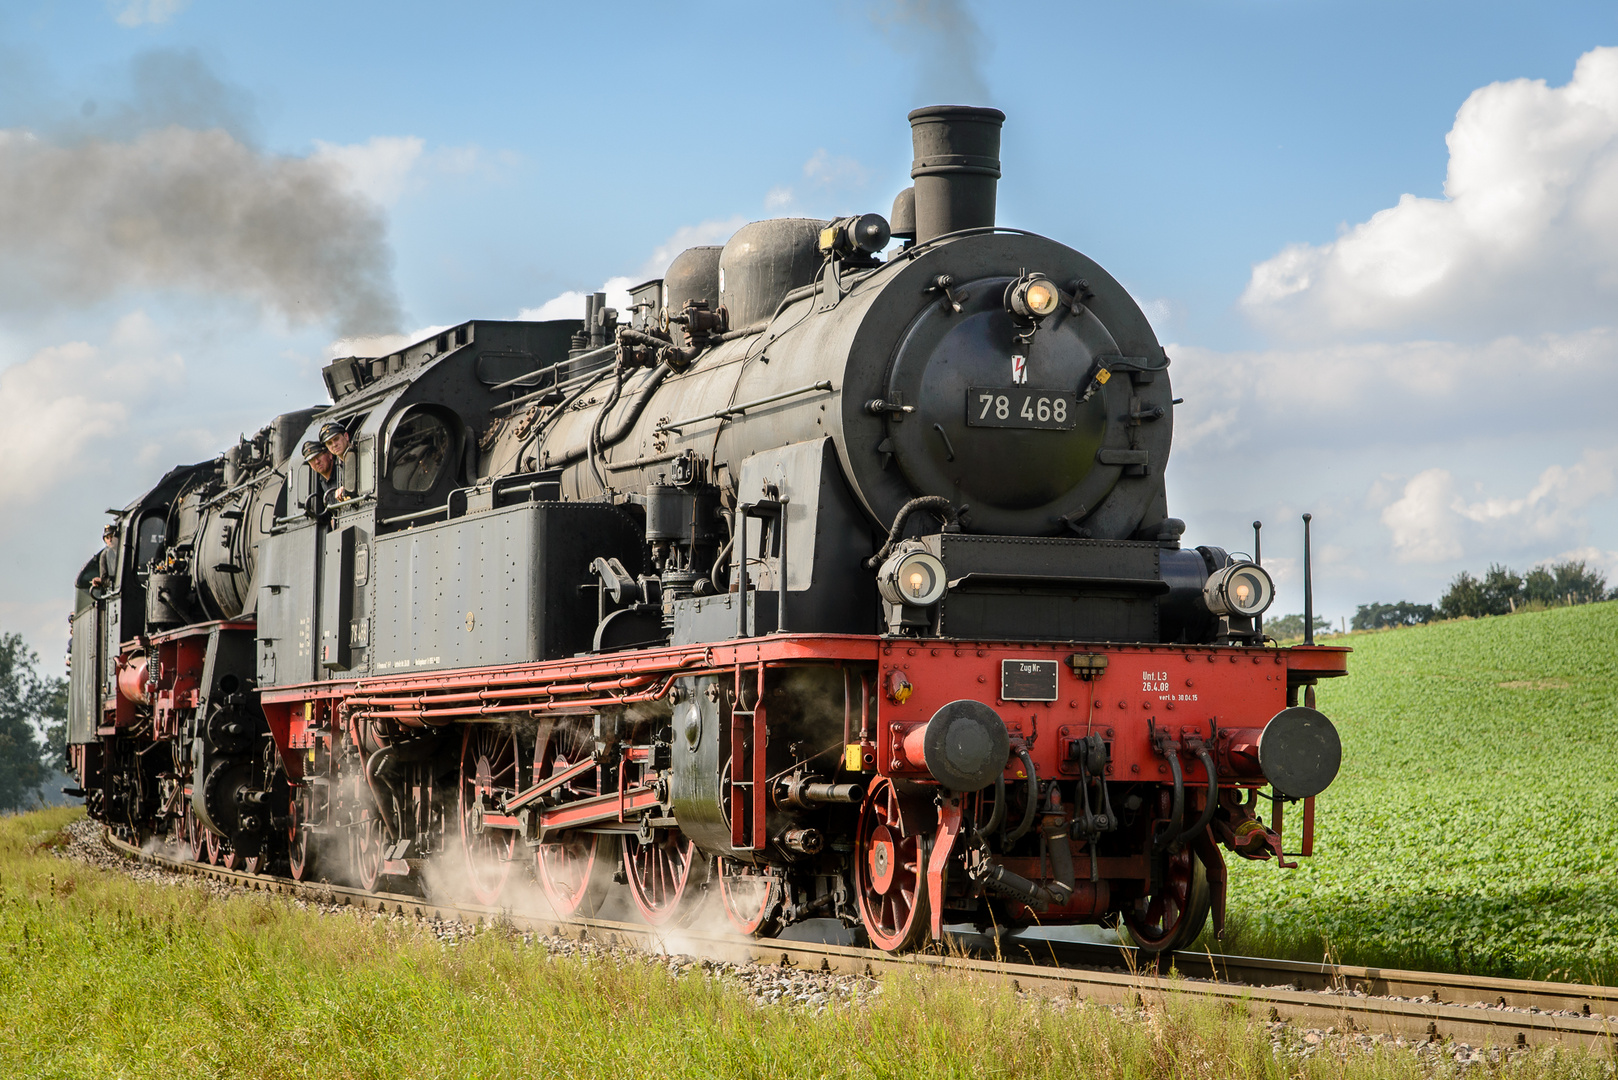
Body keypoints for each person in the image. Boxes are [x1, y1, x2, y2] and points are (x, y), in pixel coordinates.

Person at [302, 439, 341, 514]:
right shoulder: (322, 481)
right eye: (312, 460)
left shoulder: (341, 470)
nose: (317, 461)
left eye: (319, 456)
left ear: (329, 455)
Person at [319, 420, 352, 502]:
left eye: (336, 439)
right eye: (329, 443)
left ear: (346, 436)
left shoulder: (361, 455)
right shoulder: (338, 465)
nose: (334, 444)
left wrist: (348, 489)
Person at [89, 524, 118, 592]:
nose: (110, 540)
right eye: (107, 538)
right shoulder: (105, 555)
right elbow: (104, 579)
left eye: (112, 536)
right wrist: (102, 581)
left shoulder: (126, 551)